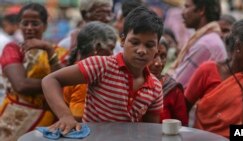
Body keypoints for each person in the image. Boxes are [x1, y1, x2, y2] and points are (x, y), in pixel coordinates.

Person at [42, 6, 163, 134]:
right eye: (134, 42)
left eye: (149, 45)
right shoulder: (101, 66)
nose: (141, 51)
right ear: (122, 41)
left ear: (157, 48)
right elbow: (50, 80)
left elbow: (150, 131)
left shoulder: (155, 88)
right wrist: (65, 116)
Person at [0, 3, 66, 140]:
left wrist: (48, 50)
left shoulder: (56, 51)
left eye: (35, 23)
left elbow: (65, 88)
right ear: (19, 25)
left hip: (49, 120)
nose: (29, 28)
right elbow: (21, 85)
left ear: (45, 26)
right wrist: (54, 83)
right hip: (14, 120)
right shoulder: (13, 49)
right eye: (25, 23)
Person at [184, 19, 243, 138]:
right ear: (239, 48)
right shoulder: (207, 70)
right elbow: (183, 108)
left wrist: (238, 130)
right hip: (200, 138)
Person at [63, 21, 117, 121]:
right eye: (111, 48)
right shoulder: (86, 77)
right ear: (97, 48)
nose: (112, 54)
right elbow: (78, 115)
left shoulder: (77, 68)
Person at [171, 0, 227, 88]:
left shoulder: (206, 43)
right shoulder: (209, 38)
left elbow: (176, 83)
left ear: (201, 10)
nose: (182, 13)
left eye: (187, 7)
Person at [148, 37, 188, 126]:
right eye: (153, 56)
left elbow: (183, 128)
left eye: (163, 56)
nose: (158, 63)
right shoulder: (127, 84)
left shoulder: (173, 90)